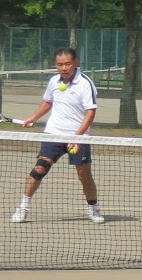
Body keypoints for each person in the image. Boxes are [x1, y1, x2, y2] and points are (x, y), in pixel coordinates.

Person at [13, 47, 103, 224]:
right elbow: (47, 102)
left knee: (84, 175)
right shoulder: (54, 81)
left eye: (68, 64)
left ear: (76, 63)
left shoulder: (85, 84)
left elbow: (90, 113)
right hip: (53, 133)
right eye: (60, 65)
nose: (64, 68)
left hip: (78, 136)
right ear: (56, 65)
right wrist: (32, 117)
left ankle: (93, 208)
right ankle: (22, 208)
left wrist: (75, 137)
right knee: (39, 168)